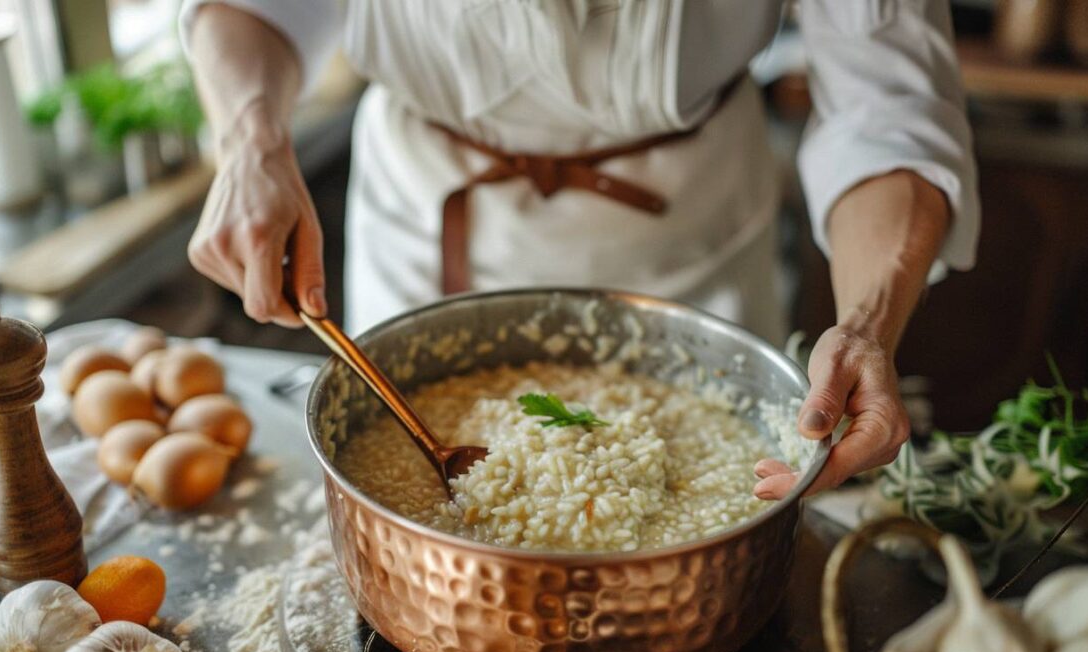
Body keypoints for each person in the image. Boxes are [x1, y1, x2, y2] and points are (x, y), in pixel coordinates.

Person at [180, 1, 979, 498]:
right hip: (426, 215)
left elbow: (888, 107)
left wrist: (867, 324)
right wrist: (251, 137)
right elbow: (256, 8)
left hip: (689, 233)